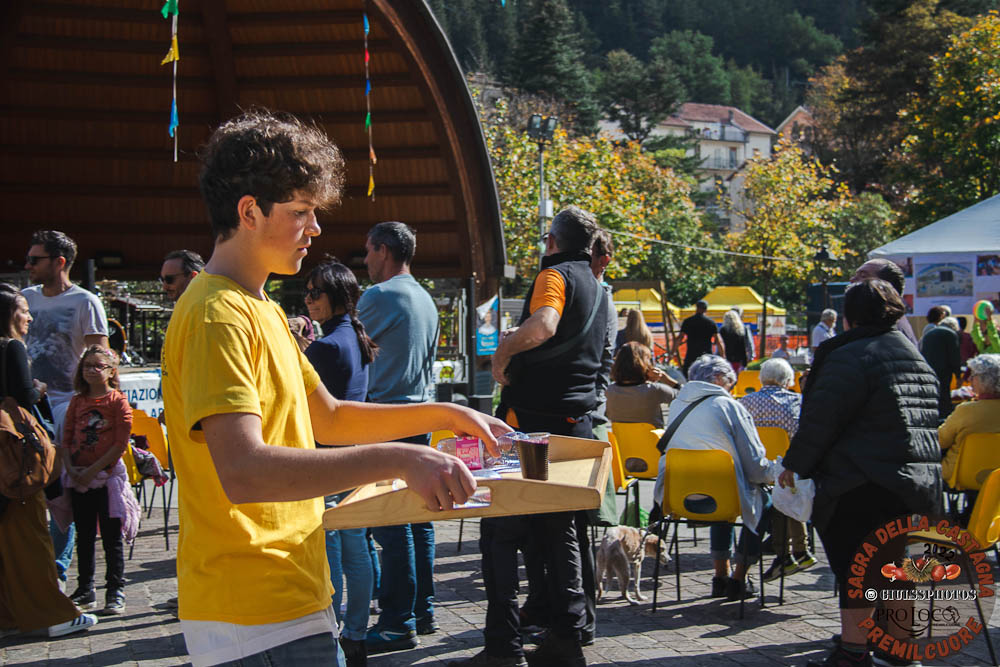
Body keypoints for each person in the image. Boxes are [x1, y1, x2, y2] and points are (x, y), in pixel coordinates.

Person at [162, 109, 508, 667]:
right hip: (251, 607)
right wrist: (401, 458)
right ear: (249, 212)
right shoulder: (215, 314)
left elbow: (329, 418)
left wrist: (443, 414)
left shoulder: (260, 306)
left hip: (291, 591)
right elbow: (244, 471)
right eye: (301, 211)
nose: (316, 228)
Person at [465, 206, 607, 667]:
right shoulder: (597, 286)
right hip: (574, 424)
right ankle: (566, 637)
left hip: (528, 427)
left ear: (552, 241)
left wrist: (503, 350)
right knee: (561, 532)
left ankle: (503, 647)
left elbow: (544, 324)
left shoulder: (556, 275)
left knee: (500, 533)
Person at [779, 279, 941, 667]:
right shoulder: (913, 353)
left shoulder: (850, 355)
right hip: (916, 482)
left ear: (849, 316)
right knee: (897, 568)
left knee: (857, 568)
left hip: (862, 480)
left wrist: (795, 464)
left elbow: (823, 417)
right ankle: (899, 649)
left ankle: (853, 651)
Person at [356, 221, 442, 655]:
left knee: (391, 524)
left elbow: (350, 346)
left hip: (386, 418)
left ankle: (396, 621)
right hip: (420, 415)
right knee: (418, 520)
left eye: (368, 251)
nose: (365, 260)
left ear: (384, 251)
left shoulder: (379, 296)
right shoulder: (425, 297)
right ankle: (422, 611)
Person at [0, 284, 99, 639]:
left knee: (7, 543)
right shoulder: (11, 347)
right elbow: (23, 396)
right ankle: (54, 615)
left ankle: (9, 616)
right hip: (15, 458)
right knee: (32, 540)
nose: (30, 317)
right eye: (24, 311)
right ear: (10, 315)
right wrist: (39, 389)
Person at [23, 230, 109, 588]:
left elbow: (101, 358)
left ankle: (56, 573)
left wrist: (99, 410)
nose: (28, 265)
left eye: (35, 259)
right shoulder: (25, 298)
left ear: (59, 262)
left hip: (66, 406)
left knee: (60, 491)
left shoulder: (85, 302)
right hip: (27, 406)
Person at [304, 259, 378, 667]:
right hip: (355, 454)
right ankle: (356, 635)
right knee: (356, 550)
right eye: (308, 292)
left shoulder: (326, 345)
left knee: (332, 550)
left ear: (336, 296)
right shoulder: (355, 337)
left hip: (325, 459)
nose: (308, 299)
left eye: (315, 292)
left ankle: (330, 634)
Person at [652, 354, 773, 601]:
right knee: (762, 501)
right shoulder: (730, 407)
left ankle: (720, 574)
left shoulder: (678, 405)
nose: (731, 388)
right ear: (718, 378)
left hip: (679, 496)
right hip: (721, 496)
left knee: (721, 490)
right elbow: (756, 467)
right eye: (730, 382)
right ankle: (739, 577)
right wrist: (773, 473)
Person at [60, 345, 135, 616]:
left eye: (98, 366)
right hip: (79, 479)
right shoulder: (77, 401)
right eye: (87, 365)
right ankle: (85, 588)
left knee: (111, 538)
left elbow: (119, 443)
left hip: (107, 480)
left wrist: (94, 470)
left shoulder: (117, 402)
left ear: (111, 371)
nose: (92, 370)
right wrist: (72, 468)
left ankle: (115, 589)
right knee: (84, 536)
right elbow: (67, 437)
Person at [738, 358, 815, 582]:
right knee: (786, 482)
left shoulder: (744, 403)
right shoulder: (798, 402)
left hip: (756, 467)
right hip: (789, 469)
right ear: (788, 380)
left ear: (761, 378)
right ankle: (799, 550)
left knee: (779, 487)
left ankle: (790, 553)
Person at [939, 354, 1000, 484]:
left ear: (985, 379)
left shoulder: (966, 411)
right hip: (997, 477)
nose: (969, 379)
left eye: (973, 376)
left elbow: (941, 441)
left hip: (961, 475)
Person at [606, 342, 678, 428]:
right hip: (652, 436)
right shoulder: (655, 390)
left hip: (621, 437)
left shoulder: (609, 391)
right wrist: (664, 377)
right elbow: (686, 396)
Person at [852, 258, 919, 347]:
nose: (852, 279)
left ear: (885, 287)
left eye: (863, 276)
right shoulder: (886, 323)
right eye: (855, 275)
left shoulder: (884, 328)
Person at [921, 316, 962, 419]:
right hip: (943, 371)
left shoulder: (929, 333)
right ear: (954, 327)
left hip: (928, 370)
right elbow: (954, 356)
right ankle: (945, 417)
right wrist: (958, 376)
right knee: (944, 395)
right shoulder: (950, 334)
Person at [674, 300, 725, 376]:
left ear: (696, 308)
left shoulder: (688, 321)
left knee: (688, 377)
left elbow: (679, 338)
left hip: (691, 355)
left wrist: (672, 352)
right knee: (706, 377)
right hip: (706, 357)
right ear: (706, 309)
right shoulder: (711, 323)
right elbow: (718, 341)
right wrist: (723, 357)